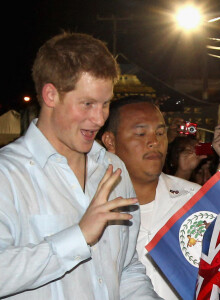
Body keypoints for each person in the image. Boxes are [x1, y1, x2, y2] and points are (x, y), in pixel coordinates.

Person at [0, 32, 161, 299]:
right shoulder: (7, 175)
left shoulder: (113, 169)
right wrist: (79, 236)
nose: (99, 118)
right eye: (87, 104)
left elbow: (126, 269)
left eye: (106, 103)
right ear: (51, 95)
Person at [100, 96, 201, 299]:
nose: (154, 142)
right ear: (110, 141)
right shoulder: (94, 209)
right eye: (140, 133)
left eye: (161, 133)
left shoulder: (196, 200)